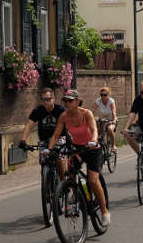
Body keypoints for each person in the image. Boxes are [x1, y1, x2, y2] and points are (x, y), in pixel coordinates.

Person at [46, 89, 111, 226]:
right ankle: (75, 193)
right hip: (77, 148)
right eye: (65, 101)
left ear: (77, 101)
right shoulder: (64, 116)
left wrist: (93, 141)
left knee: (93, 180)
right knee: (71, 169)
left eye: (70, 100)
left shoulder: (87, 113)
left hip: (92, 148)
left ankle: (104, 211)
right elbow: (56, 135)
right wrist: (49, 149)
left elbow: (94, 130)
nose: (67, 103)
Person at [18, 87, 67, 177]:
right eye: (43, 99)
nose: (45, 102)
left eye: (48, 99)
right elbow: (29, 125)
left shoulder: (61, 110)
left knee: (58, 159)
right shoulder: (38, 110)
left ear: (54, 99)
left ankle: (63, 182)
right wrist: (23, 140)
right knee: (43, 163)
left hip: (59, 138)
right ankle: (46, 187)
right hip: (44, 139)